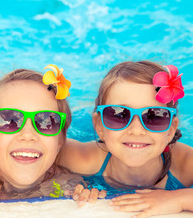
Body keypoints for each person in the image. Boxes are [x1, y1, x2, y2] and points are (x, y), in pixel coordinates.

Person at [0, 66, 106, 210]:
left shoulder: (67, 182)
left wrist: (88, 196)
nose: (28, 135)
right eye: (9, 120)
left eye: (47, 121)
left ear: (60, 140)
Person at [58, 61, 193, 217]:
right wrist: (69, 182)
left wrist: (179, 199)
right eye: (119, 114)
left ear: (171, 129)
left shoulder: (184, 164)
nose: (136, 130)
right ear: (99, 126)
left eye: (154, 116)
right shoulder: (82, 160)